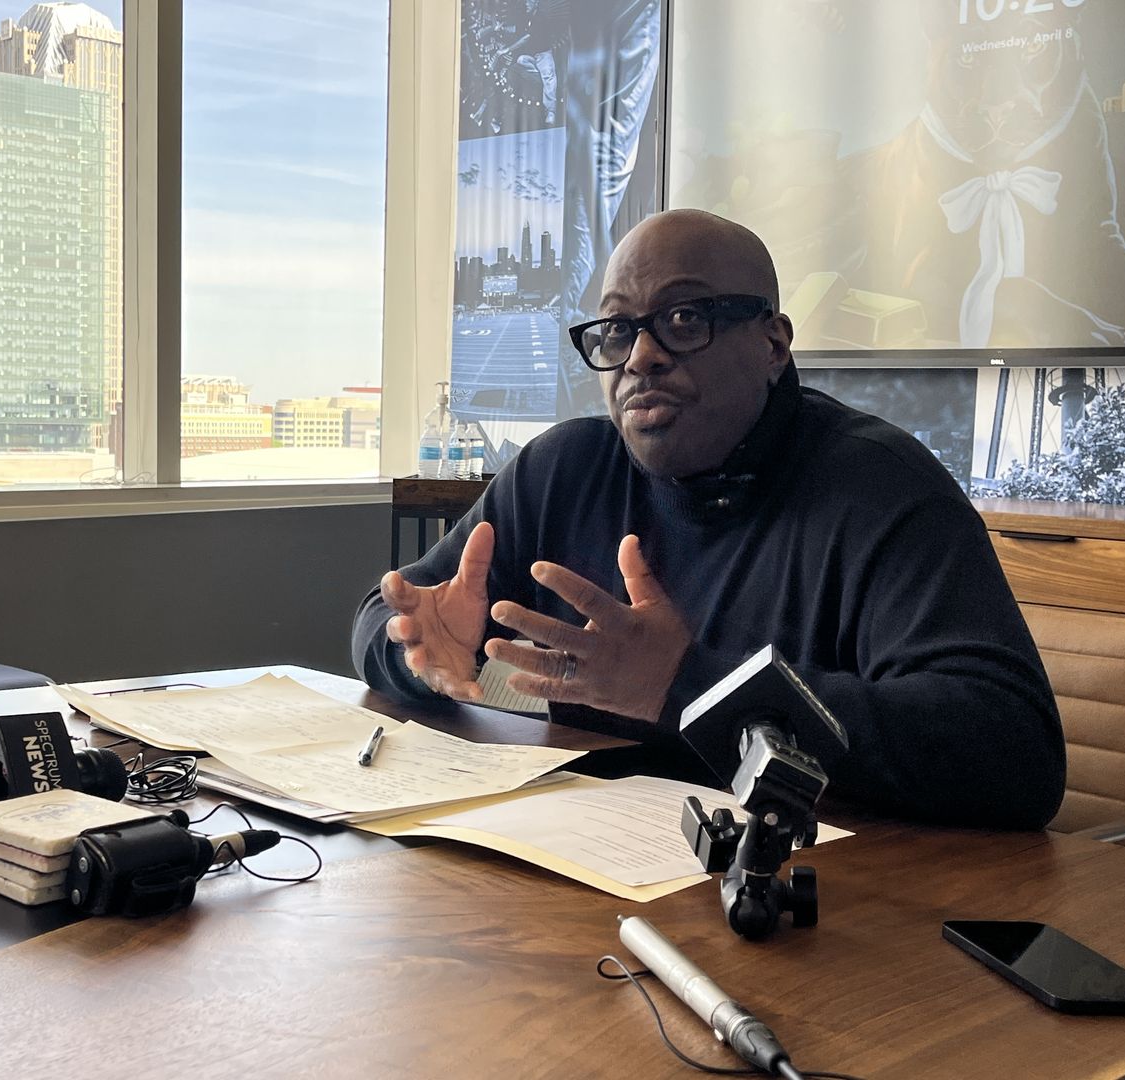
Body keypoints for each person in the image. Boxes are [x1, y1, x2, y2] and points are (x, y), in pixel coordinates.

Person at [352, 209, 1065, 830]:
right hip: (589, 870)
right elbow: (386, 617)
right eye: (618, 330)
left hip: (816, 895)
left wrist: (686, 684)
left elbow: (1014, 751)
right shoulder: (563, 470)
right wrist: (420, 657)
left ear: (773, 344)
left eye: (683, 320)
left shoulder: (877, 487)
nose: (641, 357)